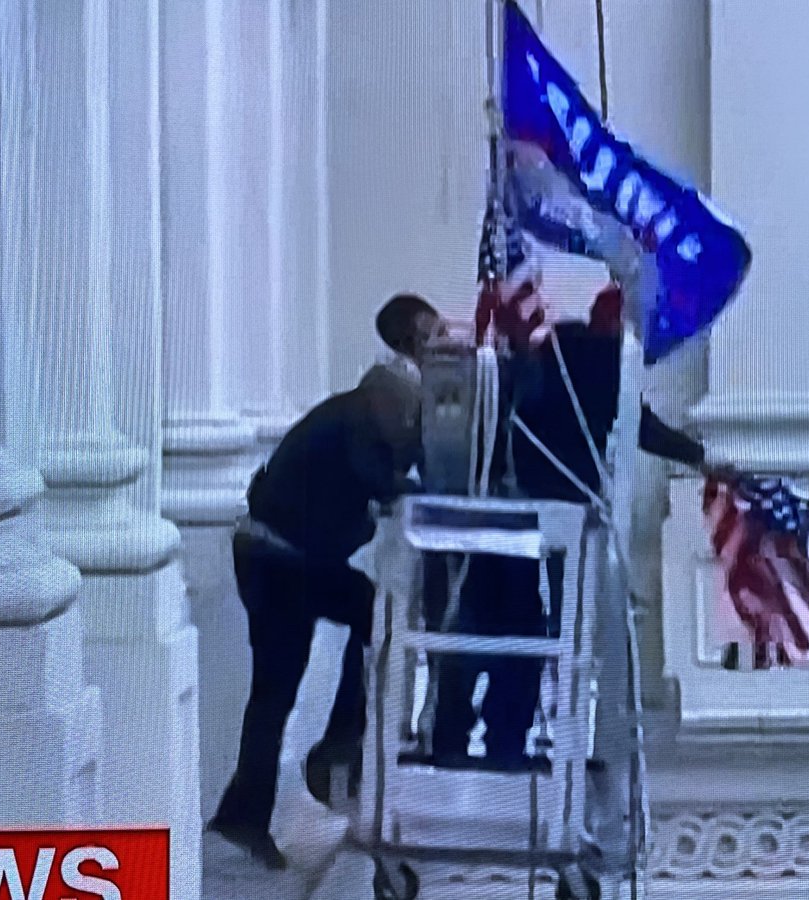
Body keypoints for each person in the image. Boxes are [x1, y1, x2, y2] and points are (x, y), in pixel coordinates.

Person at [206, 293, 444, 869]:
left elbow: (386, 472)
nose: (446, 348)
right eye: (436, 337)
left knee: (363, 616)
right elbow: (380, 478)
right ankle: (328, 757)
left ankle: (320, 760)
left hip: (285, 556)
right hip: (278, 559)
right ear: (412, 343)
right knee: (279, 687)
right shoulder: (379, 403)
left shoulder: (373, 403)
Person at [425, 283, 705, 771]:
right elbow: (641, 426)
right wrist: (700, 456)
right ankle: (507, 746)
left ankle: (450, 742)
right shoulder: (599, 370)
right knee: (534, 635)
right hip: (555, 525)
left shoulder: (541, 365)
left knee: (479, 623)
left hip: (500, 513)